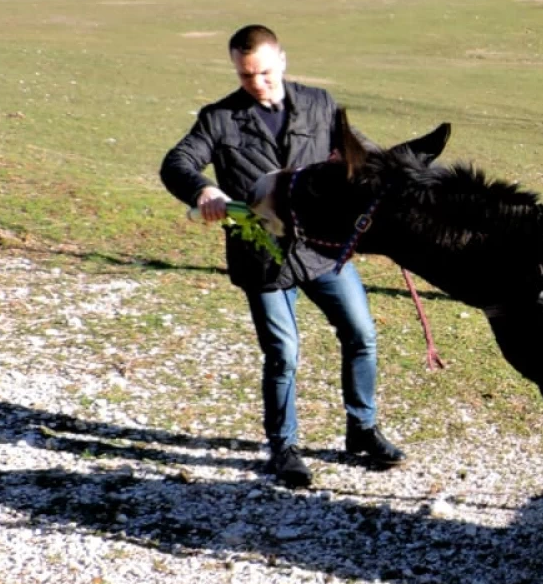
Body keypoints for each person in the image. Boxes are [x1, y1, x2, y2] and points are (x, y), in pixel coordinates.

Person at [160, 25, 404, 487]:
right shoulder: (219, 119)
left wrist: (394, 176)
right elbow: (176, 163)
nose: (257, 83)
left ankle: (363, 429)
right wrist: (203, 188)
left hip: (322, 251)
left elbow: (359, 151)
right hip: (262, 258)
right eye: (246, 75)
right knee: (283, 354)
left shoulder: (319, 104)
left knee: (361, 335)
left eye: (265, 73)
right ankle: (284, 446)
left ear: (283, 62)